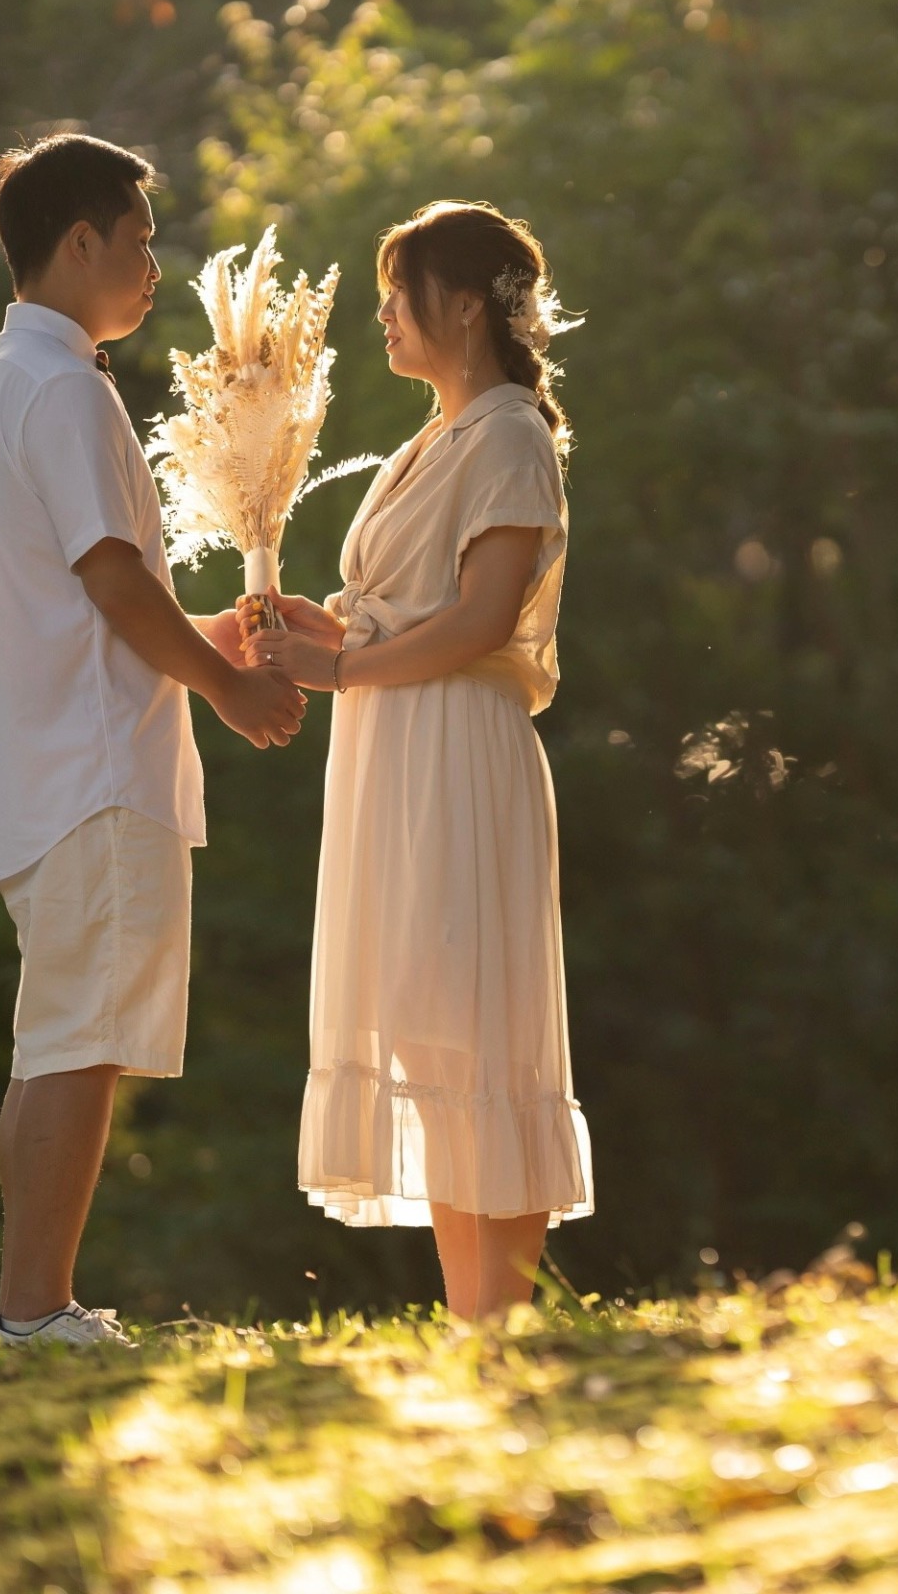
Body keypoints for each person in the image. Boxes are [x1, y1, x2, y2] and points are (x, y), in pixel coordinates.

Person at [0, 132, 305, 1347]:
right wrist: (225, 685)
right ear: (80, 240)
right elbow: (109, 580)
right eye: (142, 239)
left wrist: (212, 629)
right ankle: (36, 1314)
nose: (156, 265)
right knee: (78, 1044)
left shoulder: (20, 377)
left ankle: (28, 1308)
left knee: (58, 1038)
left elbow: (96, 590)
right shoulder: (61, 386)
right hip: (94, 770)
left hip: (56, 762)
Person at [244, 199, 592, 1319]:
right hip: (392, 749)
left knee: (480, 1023)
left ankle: (507, 1318)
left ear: (466, 303)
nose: (385, 314)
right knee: (429, 1025)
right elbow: (406, 613)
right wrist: (321, 629)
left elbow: (484, 618)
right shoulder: (430, 441)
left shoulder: (508, 435)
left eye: (402, 292)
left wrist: (340, 671)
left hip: (458, 753)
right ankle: (469, 1318)